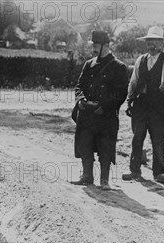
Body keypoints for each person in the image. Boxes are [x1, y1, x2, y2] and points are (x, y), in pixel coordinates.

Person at [70, 31, 129, 190]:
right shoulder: (89, 64)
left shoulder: (119, 67)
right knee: (85, 144)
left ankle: (104, 180)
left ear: (106, 46)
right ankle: (87, 176)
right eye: (93, 45)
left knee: (105, 146)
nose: (94, 48)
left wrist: (104, 106)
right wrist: (80, 99)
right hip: (87, 112)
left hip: (105, 114)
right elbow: (79, 86)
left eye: (96, 45)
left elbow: (121, 93)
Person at [122, 26, 164, 183]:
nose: (151, 45)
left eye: (154, 42)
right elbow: (133, 83)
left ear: (161, 44)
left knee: (158, 139)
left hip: (159, 106)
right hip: (140, 104)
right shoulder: (141, 60)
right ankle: (134, 170)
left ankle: (158, 172)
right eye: (149, 42)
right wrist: (129, 100)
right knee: (137, 137)